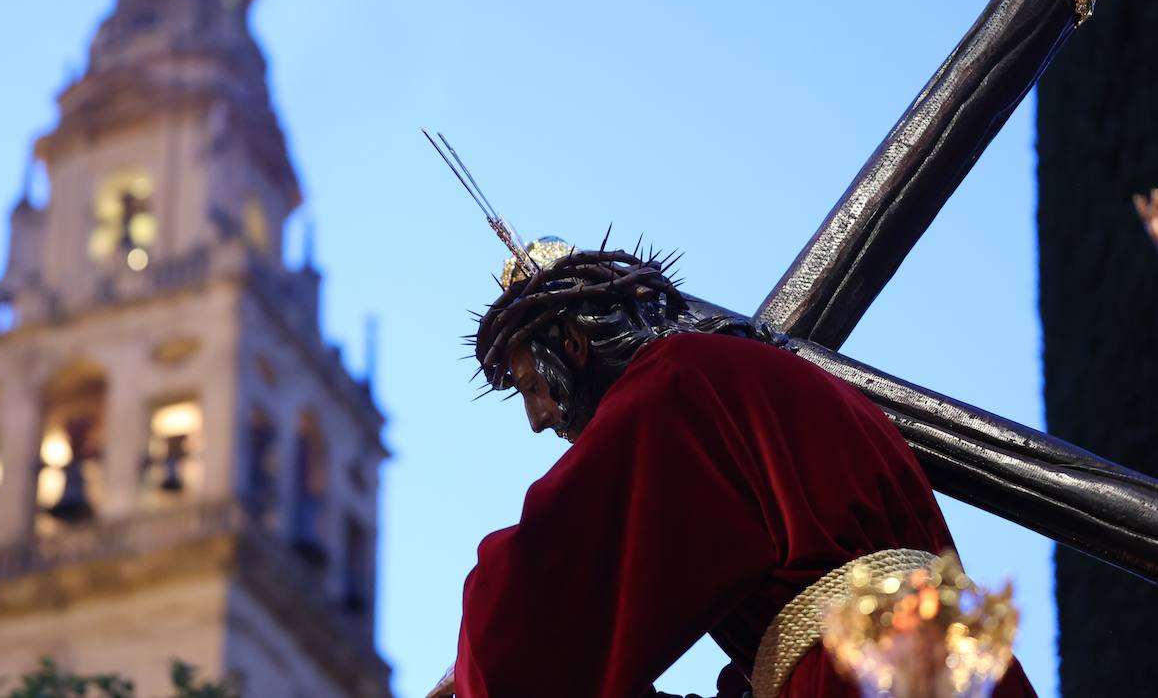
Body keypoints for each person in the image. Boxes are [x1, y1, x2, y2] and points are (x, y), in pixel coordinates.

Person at [435, 238, 1036, 698]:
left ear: (573, 345)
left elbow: (535, 595)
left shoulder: (673, 386)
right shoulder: (757, 380)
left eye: (533, 387)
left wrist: (468, 678)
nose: (537, 421)